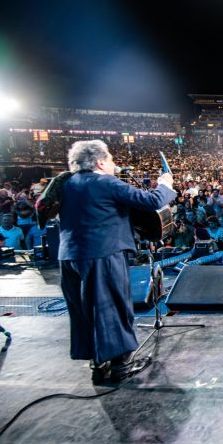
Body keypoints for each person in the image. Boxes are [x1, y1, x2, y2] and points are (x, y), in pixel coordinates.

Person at [58, 140, 176, 384]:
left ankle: (98, 365)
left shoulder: (66, 183)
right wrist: (165, 184)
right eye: (110, 159)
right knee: (112, 307)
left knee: (84, 311)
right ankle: (122, 366)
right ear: (100, 162)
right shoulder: (105, 182)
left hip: (69, 257)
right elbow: (152, 201)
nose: (113, 164)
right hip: (102, 254)